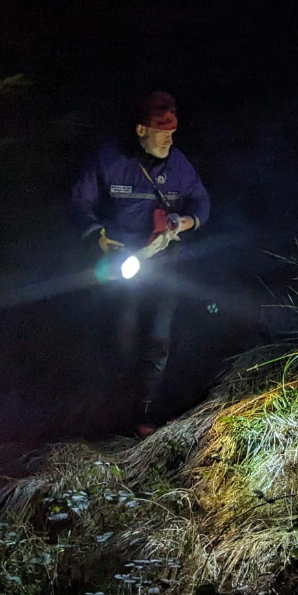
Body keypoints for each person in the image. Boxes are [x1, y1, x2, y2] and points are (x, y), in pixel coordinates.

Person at [70, 91, 211, 430]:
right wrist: (97, 235)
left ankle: (144, 412)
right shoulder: (110, 160)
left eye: (173, 133)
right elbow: (79, 202)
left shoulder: (179, 166)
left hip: (164, 261)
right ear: (141, 130)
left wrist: (184, 222)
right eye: (162, 132)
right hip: (122, 263)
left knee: (159, 336)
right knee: (123, 332)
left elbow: (202, 203)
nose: (169, 140)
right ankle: (112, 406)